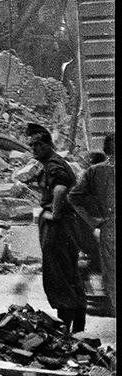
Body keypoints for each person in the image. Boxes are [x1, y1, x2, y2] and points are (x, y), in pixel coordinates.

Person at [29, 127, 87, 333]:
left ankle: (66, 324)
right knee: (69, 271)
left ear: (48, 145)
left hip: (58, 225)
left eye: (38, 144)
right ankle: (77, 324)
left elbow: (60, 187)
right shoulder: (52, 163)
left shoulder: (53, 165)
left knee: (56, 272)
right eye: (31, 145)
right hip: (67, 223)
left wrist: (54, 212)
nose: (34, 149)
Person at [70, 133, 115, 316]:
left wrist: (94, 221)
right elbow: (74, 197)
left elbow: (75, 197)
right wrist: (94, 221)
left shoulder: (94, 171)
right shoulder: (96, 172)